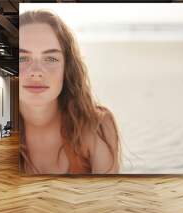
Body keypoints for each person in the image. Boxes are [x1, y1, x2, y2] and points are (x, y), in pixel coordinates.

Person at [19, 10, 121, 174]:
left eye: (51, 58)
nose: (36, 71)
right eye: (22, 58)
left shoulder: (97, 126)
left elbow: (107, 197)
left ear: (67, 68)